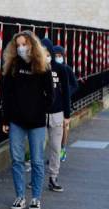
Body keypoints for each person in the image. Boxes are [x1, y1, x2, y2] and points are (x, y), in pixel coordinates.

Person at [2, 31, 54, 209]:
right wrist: (6, 118)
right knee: (16, 160)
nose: (21, 48)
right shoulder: (13, 65)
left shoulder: (42, 66)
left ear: (32, 44)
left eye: (24, 44)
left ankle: (36, 198)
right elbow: (6, 94)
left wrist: (40, 110)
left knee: (37, 161)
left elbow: (50, 95)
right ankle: (20, 196)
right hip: (16, 121)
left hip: (37, 122)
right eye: (18, 45)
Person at [41, 39, 71, 193]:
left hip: (57, 113)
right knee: (38, 147)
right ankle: (37, 178)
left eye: (48, 52)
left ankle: (53, 177)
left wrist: (67, 115)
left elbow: (66, 93)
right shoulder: (37, 68)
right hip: (40, 114)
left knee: (55, 147)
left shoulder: (61, 69)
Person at [53, 45, 78, 162]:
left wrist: (67, 93)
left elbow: (75, 84)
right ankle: (55, 152)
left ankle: (63, 148)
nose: (58, 57)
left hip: (65, 103)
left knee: (64, 127)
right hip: (55, 103)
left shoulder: (67, 69)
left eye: (60, 55)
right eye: (56, 55)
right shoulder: (52, 69)